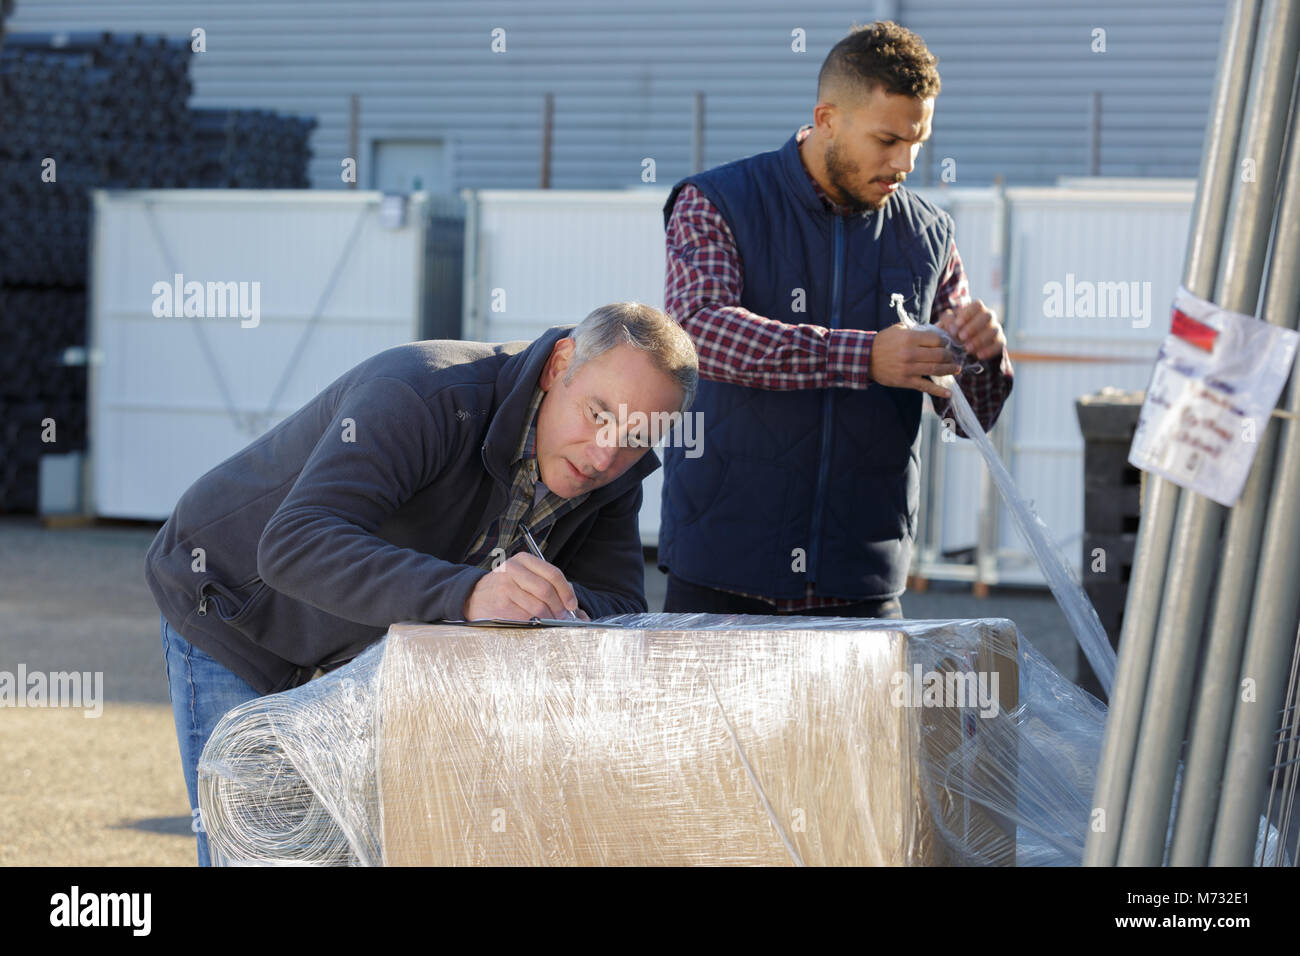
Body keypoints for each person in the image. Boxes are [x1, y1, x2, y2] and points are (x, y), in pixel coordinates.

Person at [146, 302, 697, 865]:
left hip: (361, 651)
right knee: (263, 853)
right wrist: (470, 593)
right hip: (234, 606)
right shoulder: (422, 392)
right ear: (560, 365)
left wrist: (554, 608)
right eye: (597, 414)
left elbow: (621, 606)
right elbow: (294, 545)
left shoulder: (610, 473)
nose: (605, 454)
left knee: (354, 850)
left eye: (634, 438)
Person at [659, 21, 1013, 618]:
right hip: (725, 570)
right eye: (886, 140)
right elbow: (699, 333)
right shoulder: (716, 202)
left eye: (917, 142)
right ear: (826, 119)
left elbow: (968, 414)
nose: (905, 162)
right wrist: (866, 356)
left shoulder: (929, 234)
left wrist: (981, 356)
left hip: (863, 583)